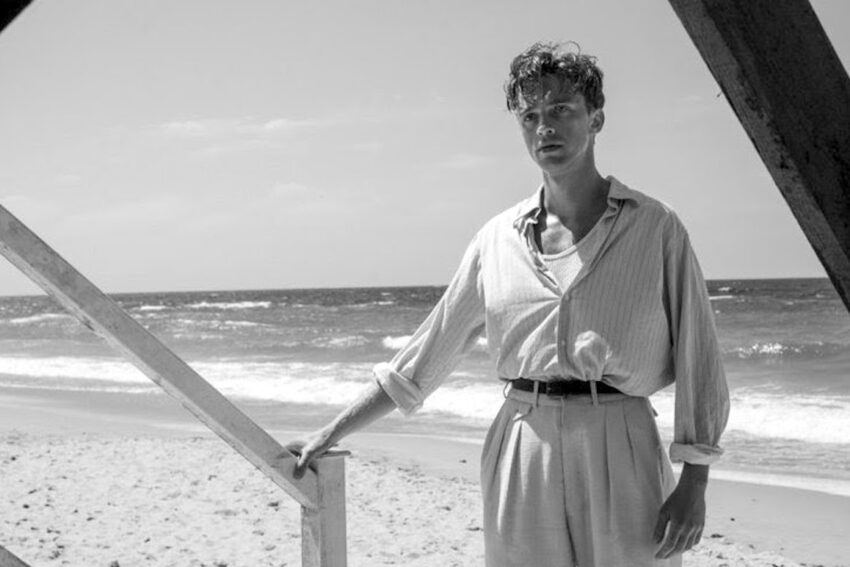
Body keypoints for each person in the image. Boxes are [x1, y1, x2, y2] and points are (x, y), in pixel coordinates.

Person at [286, 41, 730, 567]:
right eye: (530, 116)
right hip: (522, 441)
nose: (545, 127)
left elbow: (699, 357)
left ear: (596, 119)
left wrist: (695, 480)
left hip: (623, 439)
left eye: (561, 110)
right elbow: (423, 359)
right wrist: (330, 431)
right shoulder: (496, 239)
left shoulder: (656, 227)